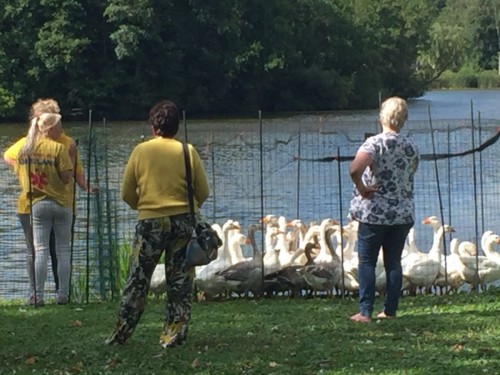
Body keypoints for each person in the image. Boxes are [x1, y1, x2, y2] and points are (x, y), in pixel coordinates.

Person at [106, 99, 210, 348]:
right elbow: (203, 192)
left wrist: (143, 207)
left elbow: (126, 192)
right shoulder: (188, 151)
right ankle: (172, 334)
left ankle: (122, 332)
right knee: (180, 280)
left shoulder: (140, 151)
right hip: (182, 222)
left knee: (138, 279)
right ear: (177, 126)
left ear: (153, 127)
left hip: (150, 222)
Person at [4, 98, 92, 305]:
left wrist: (24, 173)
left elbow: (8, 155)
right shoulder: (63, 145)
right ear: (50, 124)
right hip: (61, 202)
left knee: (37, 250)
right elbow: (70, 175)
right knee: (58, 250)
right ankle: (62, 294)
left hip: (34, 203)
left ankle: (36, 295)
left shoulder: (27, 145)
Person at [348, 96, 420, 323]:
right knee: (393, 261)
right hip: (402, 213)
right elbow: (412, 172)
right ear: (404, 119)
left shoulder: (374, 143)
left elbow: (354, 169)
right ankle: (390, 310)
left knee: (367, 261)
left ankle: (365, 311)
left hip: (375, 213)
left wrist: (362, 188)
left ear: (381, 117)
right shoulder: (411, 146)